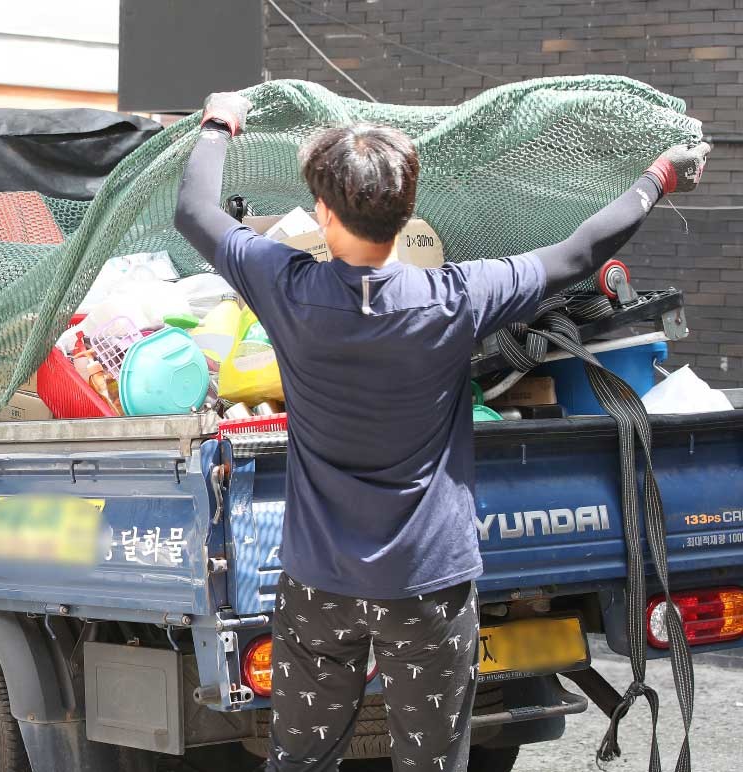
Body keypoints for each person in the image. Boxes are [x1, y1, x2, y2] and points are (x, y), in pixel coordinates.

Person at [174, 91, 709, 772]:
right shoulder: (457, 296)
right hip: (428, 585)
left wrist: (219, 122)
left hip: (320, 584)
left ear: (325, 215)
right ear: (406, 214)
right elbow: (580, 253)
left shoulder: (284, 285)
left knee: (301, 761)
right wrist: (657, 177)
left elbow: (193, 210)